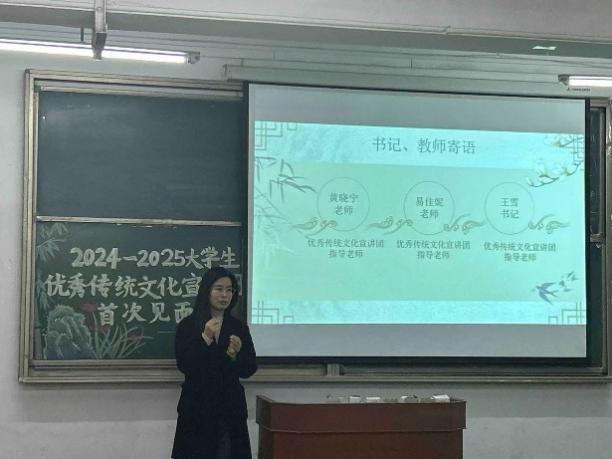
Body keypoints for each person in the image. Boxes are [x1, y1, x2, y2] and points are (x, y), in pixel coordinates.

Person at [172, 266, 257, 459]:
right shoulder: (189, 325)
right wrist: (205, 338)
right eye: (219, 289)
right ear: (207, 291)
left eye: (229, 290)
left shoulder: (238, 327)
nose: (224, 295)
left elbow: (250, 368)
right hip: (197, 409)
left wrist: (235, 356)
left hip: (229, 410)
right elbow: (185, 365)